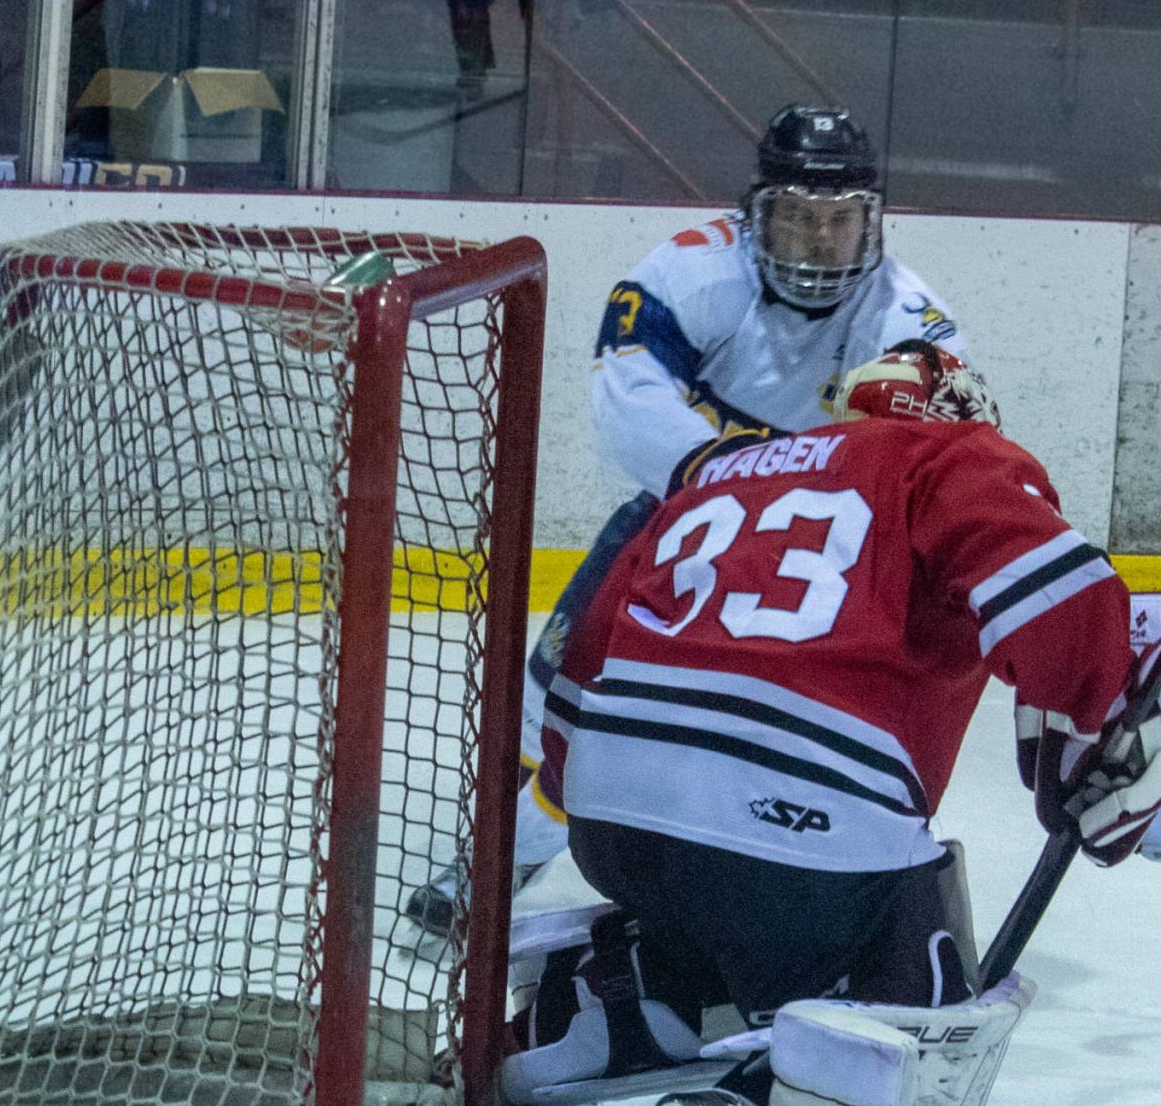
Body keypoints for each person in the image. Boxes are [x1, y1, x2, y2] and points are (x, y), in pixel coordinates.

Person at [505, 342, 1161, 1106]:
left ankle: (624, 1001)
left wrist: (595, 789)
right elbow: (1066, 600)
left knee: (727, 892)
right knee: (913, 918)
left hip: (611, 819)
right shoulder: (950, 454)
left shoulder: (716, 470)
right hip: (792, 831)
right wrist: (1096, 733)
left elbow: (583, 655)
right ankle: (810, 1103)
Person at [400, 104, 971, 947]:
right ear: (756, 214)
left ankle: (759, 881)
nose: (820, 241)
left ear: (872, 222)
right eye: (798, 216)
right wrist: (722, 476)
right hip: (676, 522)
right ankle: (492, 859)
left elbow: (945, 462)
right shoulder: (693, 273)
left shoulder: (910, 324)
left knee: (726, 732)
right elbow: (626, 395)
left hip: (814, 563)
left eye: (841, 220)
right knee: (548, 693)